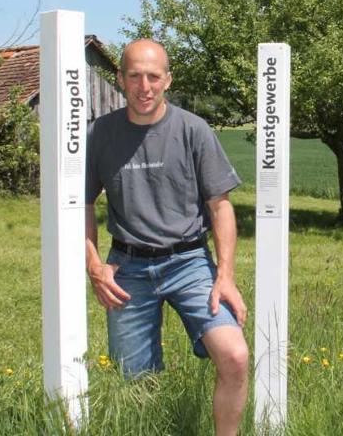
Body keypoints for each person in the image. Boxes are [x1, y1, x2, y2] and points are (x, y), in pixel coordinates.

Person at [84, 39, 248, 435]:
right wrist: (93, 265)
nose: (145, 86)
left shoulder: (193, 129)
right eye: (135, 76)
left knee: (235, 356)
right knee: (136, 384)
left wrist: (224, 274)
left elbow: (220, 206)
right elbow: (82, 205)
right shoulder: (100, 134)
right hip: (128, 268)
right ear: (120, 79)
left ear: (168, 80)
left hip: (190, 262)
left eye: (154, 76)